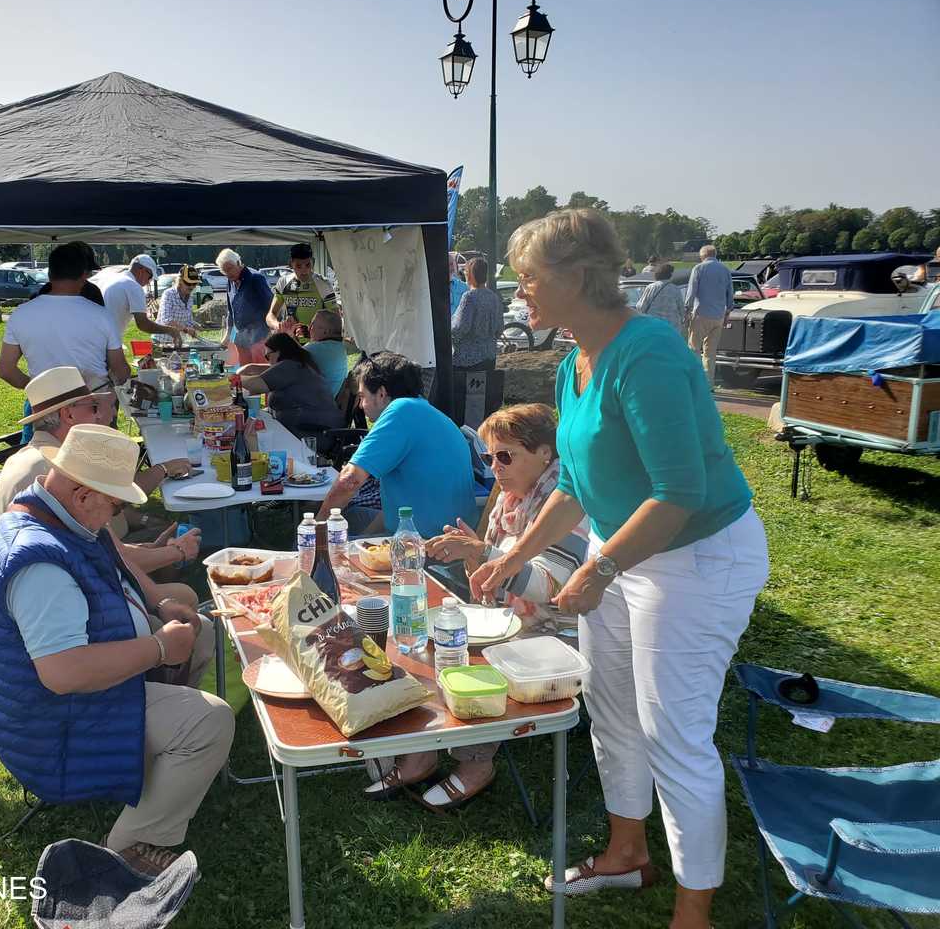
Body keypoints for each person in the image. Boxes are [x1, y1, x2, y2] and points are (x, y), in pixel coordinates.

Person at [470, 208, 768, 929]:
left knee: (674, 734)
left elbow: (678, 493)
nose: (520, 290)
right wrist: (514, 554)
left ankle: (692, 915)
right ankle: (628, 853)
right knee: (610, 709)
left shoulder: (649, 352)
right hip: (624, 553)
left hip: (696, 558)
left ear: (578, 276)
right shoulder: (571, 363)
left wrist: (598, 569)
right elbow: (575, 484)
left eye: (529, 277)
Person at [0, 424, 234, 877]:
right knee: (211, 720)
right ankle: (127, 849)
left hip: (59, 702)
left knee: (202, 632)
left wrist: (158, 604)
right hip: (50, 724)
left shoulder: (57, 516)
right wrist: (158, 648)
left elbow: (113, 566)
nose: (117, 514)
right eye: (115, 504)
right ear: (81, 493)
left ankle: (165, 765)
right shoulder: (39, 562)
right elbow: (64, 673)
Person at [367, 404, 590, 807]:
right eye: (488, 458)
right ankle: (422, 749)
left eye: (506, 456)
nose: (495, 468)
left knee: (465, 654)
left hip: (558, 630)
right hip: (511, 618)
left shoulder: (565, 502)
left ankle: (475, 763)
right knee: (429, 641)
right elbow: (491, 577)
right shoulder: (511, 499)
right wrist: (474, 554)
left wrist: (480, 551)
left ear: (545, 453)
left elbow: (550, 586)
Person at [0, 367, 202, 578]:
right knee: (178, 581)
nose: (100, 414)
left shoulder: (32, 456)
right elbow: (109, 559)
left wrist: (151, 543)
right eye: (93, 407)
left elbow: (99, 546)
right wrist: (177, 551)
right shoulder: (60, 469)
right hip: (54, 581)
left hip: (37, 572)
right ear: (68, 414)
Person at [317, 352, 476, 538]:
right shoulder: (422, 410)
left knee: (310, 537)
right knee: (351, 515)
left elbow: (349, 481)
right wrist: (365, 537)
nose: (360, 405)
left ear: (381, 393)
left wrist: (316, 527)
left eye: (362, 396)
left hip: (428, 544)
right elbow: (398, 508)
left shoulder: (400, 411)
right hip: (451, 536)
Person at [0, 242, 129, 392]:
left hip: (45, 402)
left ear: (50, 273)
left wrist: (39, 389)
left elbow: (6, 370)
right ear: (84, 275)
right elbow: (120, 371)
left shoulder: (20, 314)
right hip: (95, 400)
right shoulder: (102, 315)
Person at [235, 332, 343, 437]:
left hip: (314, 433)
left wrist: (232, 379)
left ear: (279, 352)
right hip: (314, 429)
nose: (268, 361)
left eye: (268, 356)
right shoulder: (298, 365)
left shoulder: (289, 366)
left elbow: (256, 385)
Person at [98, 254, 188, 344]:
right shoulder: (133, 286)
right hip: (105, 340)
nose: (149, 281)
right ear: (142, 270)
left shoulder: (114, 279)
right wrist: (171, 331)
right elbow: (143, 324)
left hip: (97, 334)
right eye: (150, 277)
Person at [684, 244, 735, 388]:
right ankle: (708, 384)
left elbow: (691, 291)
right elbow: (730, 293)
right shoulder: (725, 269)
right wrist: (727, 312)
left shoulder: (698, 268)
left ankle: (695, 381)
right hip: (718, 315)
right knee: (710, 352)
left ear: (703, 255)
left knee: (694, 348)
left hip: (701, 313)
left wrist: (687, 310)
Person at [268, 243, 339, 337]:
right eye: (298, 266)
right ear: (291, 264)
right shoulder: (283, 282)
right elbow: (270, 315)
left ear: (313, 262)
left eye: (308, 265)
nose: (304, 270)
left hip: (316, 341)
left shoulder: (323, 284)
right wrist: (279, 326)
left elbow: (336, 320)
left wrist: (310, 332)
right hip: (291, 340)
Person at [217, 248, 273, 365]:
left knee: (261, 371)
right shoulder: (230, 282)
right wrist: (227, 334)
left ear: (238, 263)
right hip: (241, 338)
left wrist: (270, 334)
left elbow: (271, 306)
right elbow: (231, 311)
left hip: (260, 336)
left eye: (230, 269)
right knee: (244, 372)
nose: (228, 274)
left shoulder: (256, 278)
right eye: (224, 271)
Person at [452, 257, 505, 372]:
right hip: (490, 357)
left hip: (468, 359)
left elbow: (460, 327)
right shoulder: (494, 297)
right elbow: (500, 329)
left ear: (470, 274)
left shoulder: (469, 297)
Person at [304, 309, 350, 400]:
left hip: (310, 405)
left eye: (312, 325)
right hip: (325, 403)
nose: (309, 328)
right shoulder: (337, 347)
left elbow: (282, 361)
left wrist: (286, 335)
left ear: (326, 331)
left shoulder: (318, 349)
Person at [154, 265, 202, 346]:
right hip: (161, 341)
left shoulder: (190, 298)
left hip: (178, 342)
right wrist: (186, 329)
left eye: (194, 283)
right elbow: (167, 321)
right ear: (180, 281)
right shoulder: (168, 294)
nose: (191, 286)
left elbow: (188, 320)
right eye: (188, 283)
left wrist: (196, 326)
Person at [635, 262, 685, 335]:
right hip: (672, 327)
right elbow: (681, 309)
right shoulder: (675, 289)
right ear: (670, 275)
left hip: (653, 325)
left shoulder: (651, 287)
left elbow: (640, 306)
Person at [448, 252, 468, 316]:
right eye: (448, 264)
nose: (451, 267)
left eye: (452, 264)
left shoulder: (464, 287)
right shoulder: (436, 288)